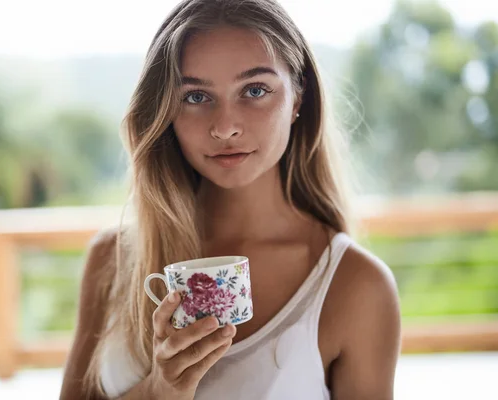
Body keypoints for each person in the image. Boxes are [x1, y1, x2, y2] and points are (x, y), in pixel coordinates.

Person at [59, 0, 401, 399]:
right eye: (196, 97)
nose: (224, 127)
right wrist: (158, 391)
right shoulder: (112, 260)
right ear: (166, 111)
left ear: (297, 98)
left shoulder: (356, 286)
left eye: (255, 90)